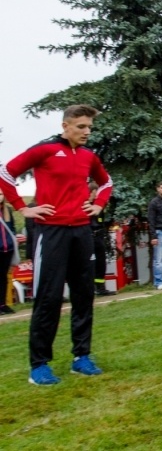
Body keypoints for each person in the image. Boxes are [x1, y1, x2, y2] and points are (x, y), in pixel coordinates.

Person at [0, 104, 112, 385]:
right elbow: (5, 173)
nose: (87, 132)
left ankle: (82, 357)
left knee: (84, 295)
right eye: (81, 127)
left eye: (89, 127)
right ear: (65, 126)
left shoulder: (88, 156)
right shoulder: (45, 150)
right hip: (51, 233)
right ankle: (39, 365)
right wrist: (22, 208)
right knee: (48, 298)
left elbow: (106, 182)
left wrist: (98, 205)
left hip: (82, 232)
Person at [88, 182, 115, 296]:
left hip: (98, 236)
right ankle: (90, 288)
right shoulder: (85, 205)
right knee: (90, 263)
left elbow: (103, 220)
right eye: (96, 191)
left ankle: (100, 288)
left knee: (101, 262)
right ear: (92, 191)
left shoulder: (98, 206)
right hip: (89, 237)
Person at [0, 190, 21, 314]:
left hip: (7, 249)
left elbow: (11, 228)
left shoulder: (7, 210)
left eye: (2, 194)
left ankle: (3, 304)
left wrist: (13, 239)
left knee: (3, 278)